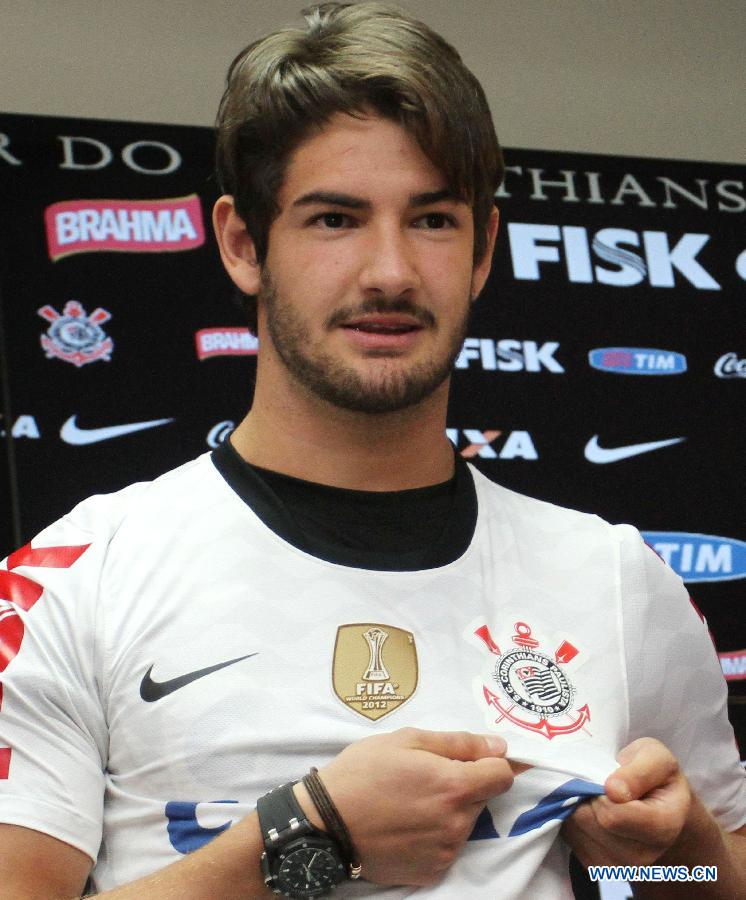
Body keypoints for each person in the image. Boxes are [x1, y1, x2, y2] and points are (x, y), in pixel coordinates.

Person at [0, 3, 744, 898]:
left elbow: (716, 878)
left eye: (431, 220)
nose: (389, 271)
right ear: (243, 243)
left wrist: (679, 855)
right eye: (334, 220)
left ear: (482, 252)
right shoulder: (77, 579)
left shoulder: (617, 579)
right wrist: (308, 838)